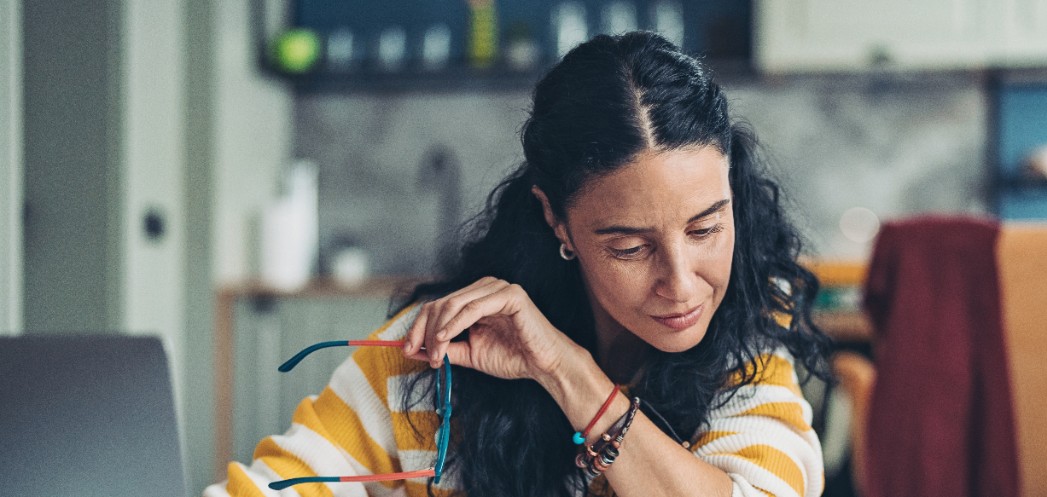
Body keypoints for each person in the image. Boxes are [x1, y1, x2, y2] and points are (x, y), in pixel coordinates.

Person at [206, 31, 830, 497]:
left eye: (706, 227)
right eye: (629, 248)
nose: (683, 281)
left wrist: (569, 373)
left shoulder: (747, 347)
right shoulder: (440, 350)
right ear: (556, 220)